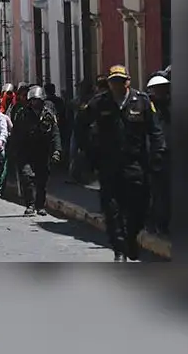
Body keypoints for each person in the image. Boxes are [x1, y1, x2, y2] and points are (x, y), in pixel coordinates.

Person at [79, 65, 166, 261]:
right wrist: (88, 150)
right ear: (109, 83)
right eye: (113, 81)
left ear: (128, 81)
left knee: (139, 206)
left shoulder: (142, 101)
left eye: (120, 81)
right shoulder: (100, 102)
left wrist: (158, 152)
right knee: (112, 209)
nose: (117, 85)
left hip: (136, 164)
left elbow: (155, 130)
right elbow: (81, 124)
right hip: (109, 164)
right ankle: (119, 248)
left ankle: (131, 238)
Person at [14, 85, 62, 216]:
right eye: (33, 100)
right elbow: (16, 134)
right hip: (26, 152)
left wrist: (57, 151)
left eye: (38, 100)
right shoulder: (23, 114)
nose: (35, 103)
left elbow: (55, 133)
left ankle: (40, 206)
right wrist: (15, 152)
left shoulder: (48, 114)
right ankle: (30, 205)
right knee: (27, 178)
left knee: (42, 181)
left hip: (43, 151)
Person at [146, 73, 171, 236]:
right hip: (153, 155)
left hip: (170, 154)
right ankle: (155, 223)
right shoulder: (146, 107)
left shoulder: (171, 106)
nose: (162, 92)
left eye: (164, 89)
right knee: (155, 192)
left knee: (168, 191)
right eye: (159, 90)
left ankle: (164, 223)